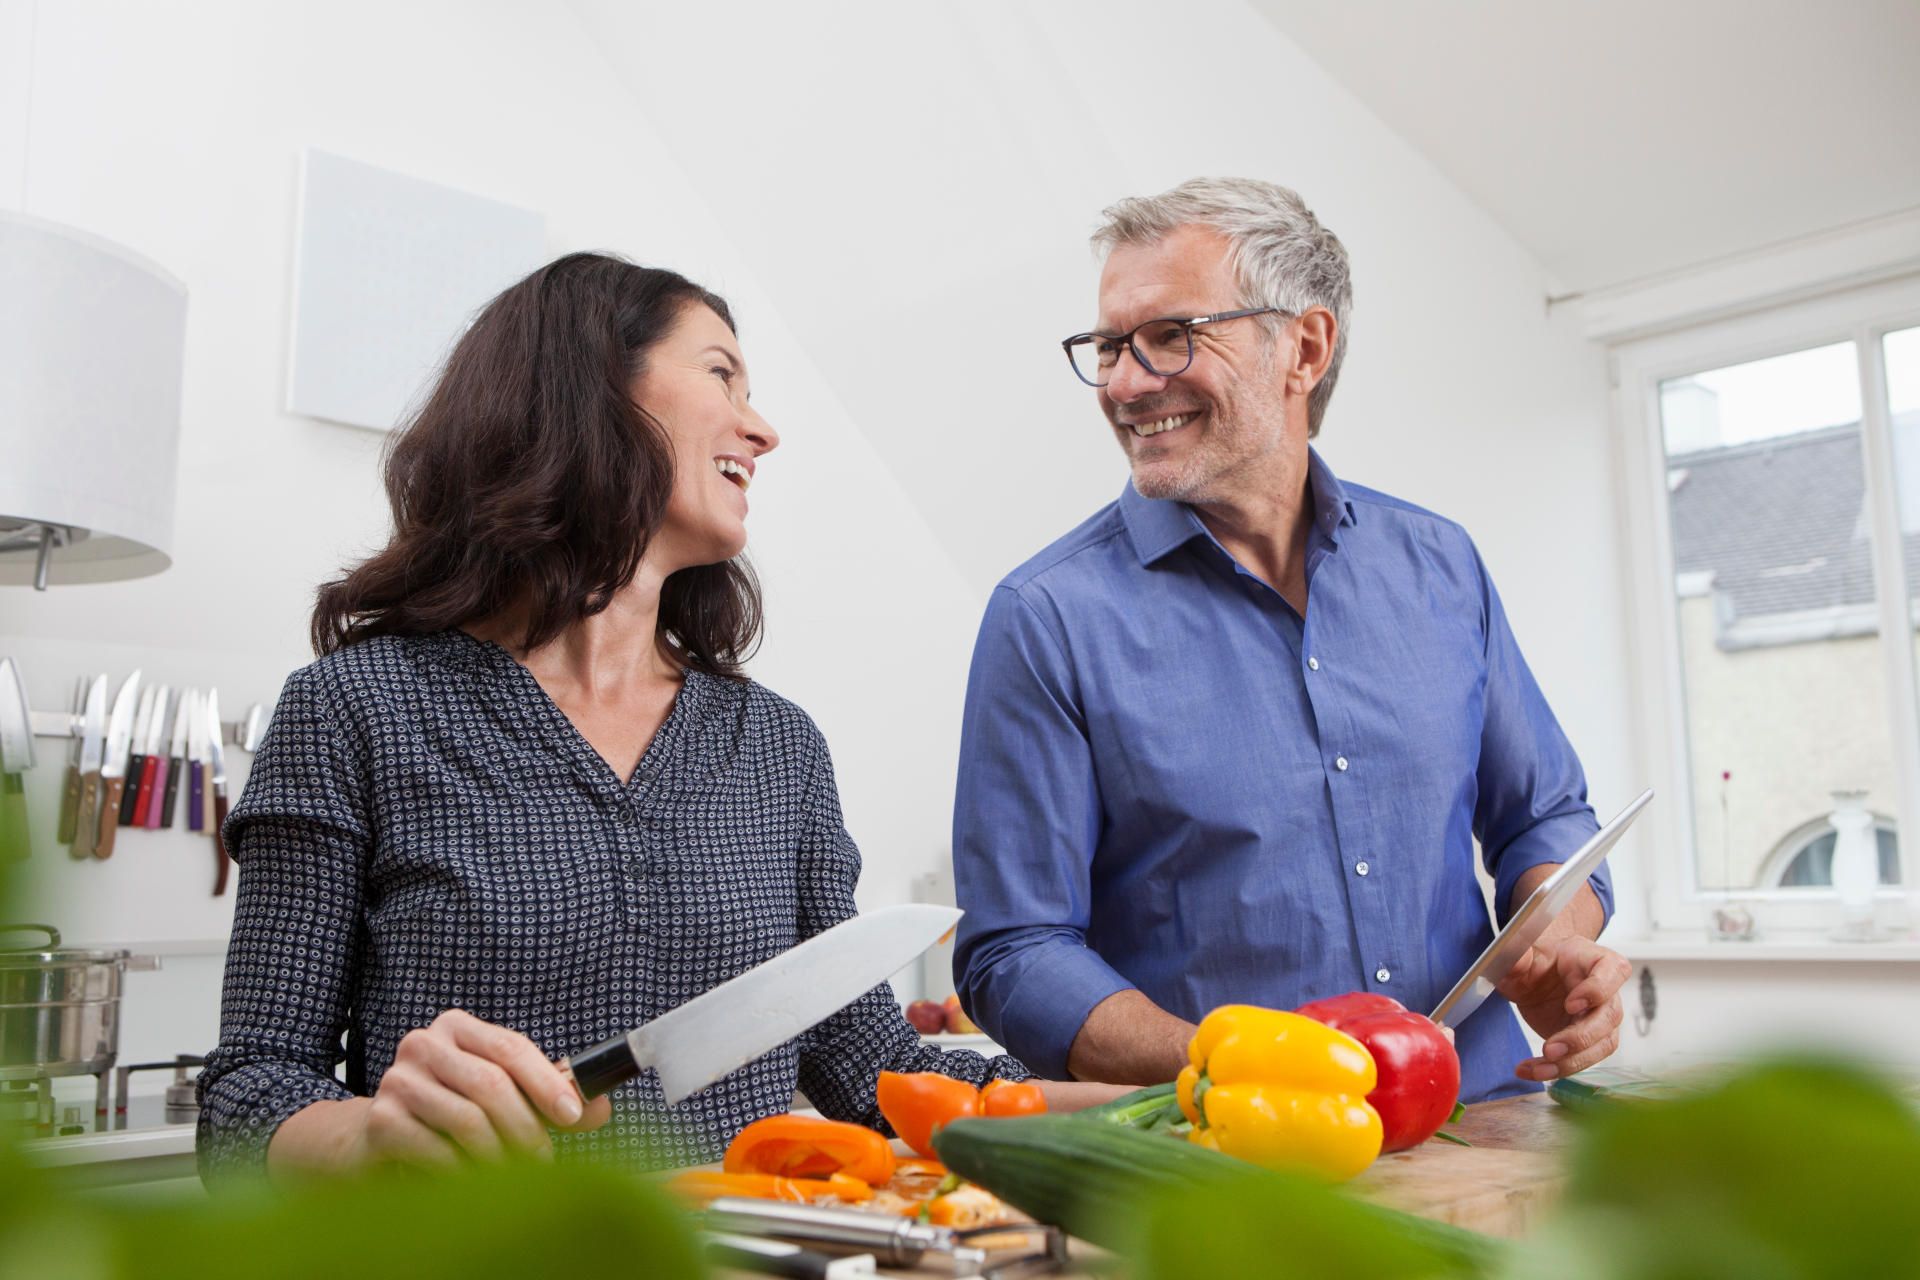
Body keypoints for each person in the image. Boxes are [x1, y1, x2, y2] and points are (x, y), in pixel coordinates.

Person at [198, 253, 1107, 1182]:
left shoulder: (777, 748)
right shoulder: (355, 711)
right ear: (592, 392)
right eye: (723, 375)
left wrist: (1168, 1097)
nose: (763, 429)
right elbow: (250, 1095)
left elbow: (881, 1076)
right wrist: (370, 1139)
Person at [951, 178, 1631, 1106]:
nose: (1122, 383)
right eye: (1110, 346)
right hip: (1234, 1173)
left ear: (1303, 347)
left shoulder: (1441, 564)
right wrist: (1231, 1065)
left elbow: (1543, 816)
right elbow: (1014, 953)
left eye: (1169, 337)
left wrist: (1558, 936)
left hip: (1486, 1124)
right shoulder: (1047, 617)